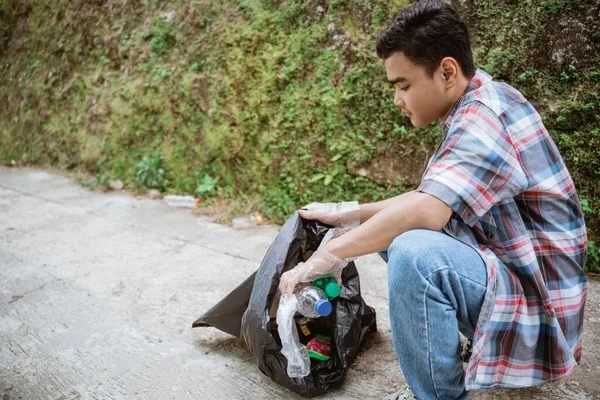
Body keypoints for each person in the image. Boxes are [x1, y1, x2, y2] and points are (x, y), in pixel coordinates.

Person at [278, 0, 589, 399]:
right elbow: (429, 198)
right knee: (391, 233)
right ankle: (454, 351)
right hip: (518, 276)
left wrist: (328, 256)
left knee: (412, 252)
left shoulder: (482, 120)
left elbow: (425, 211)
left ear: (446, 71)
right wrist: (347, 215)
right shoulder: (479, 101)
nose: (397, 100)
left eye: (403, 85)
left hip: (540, 314)